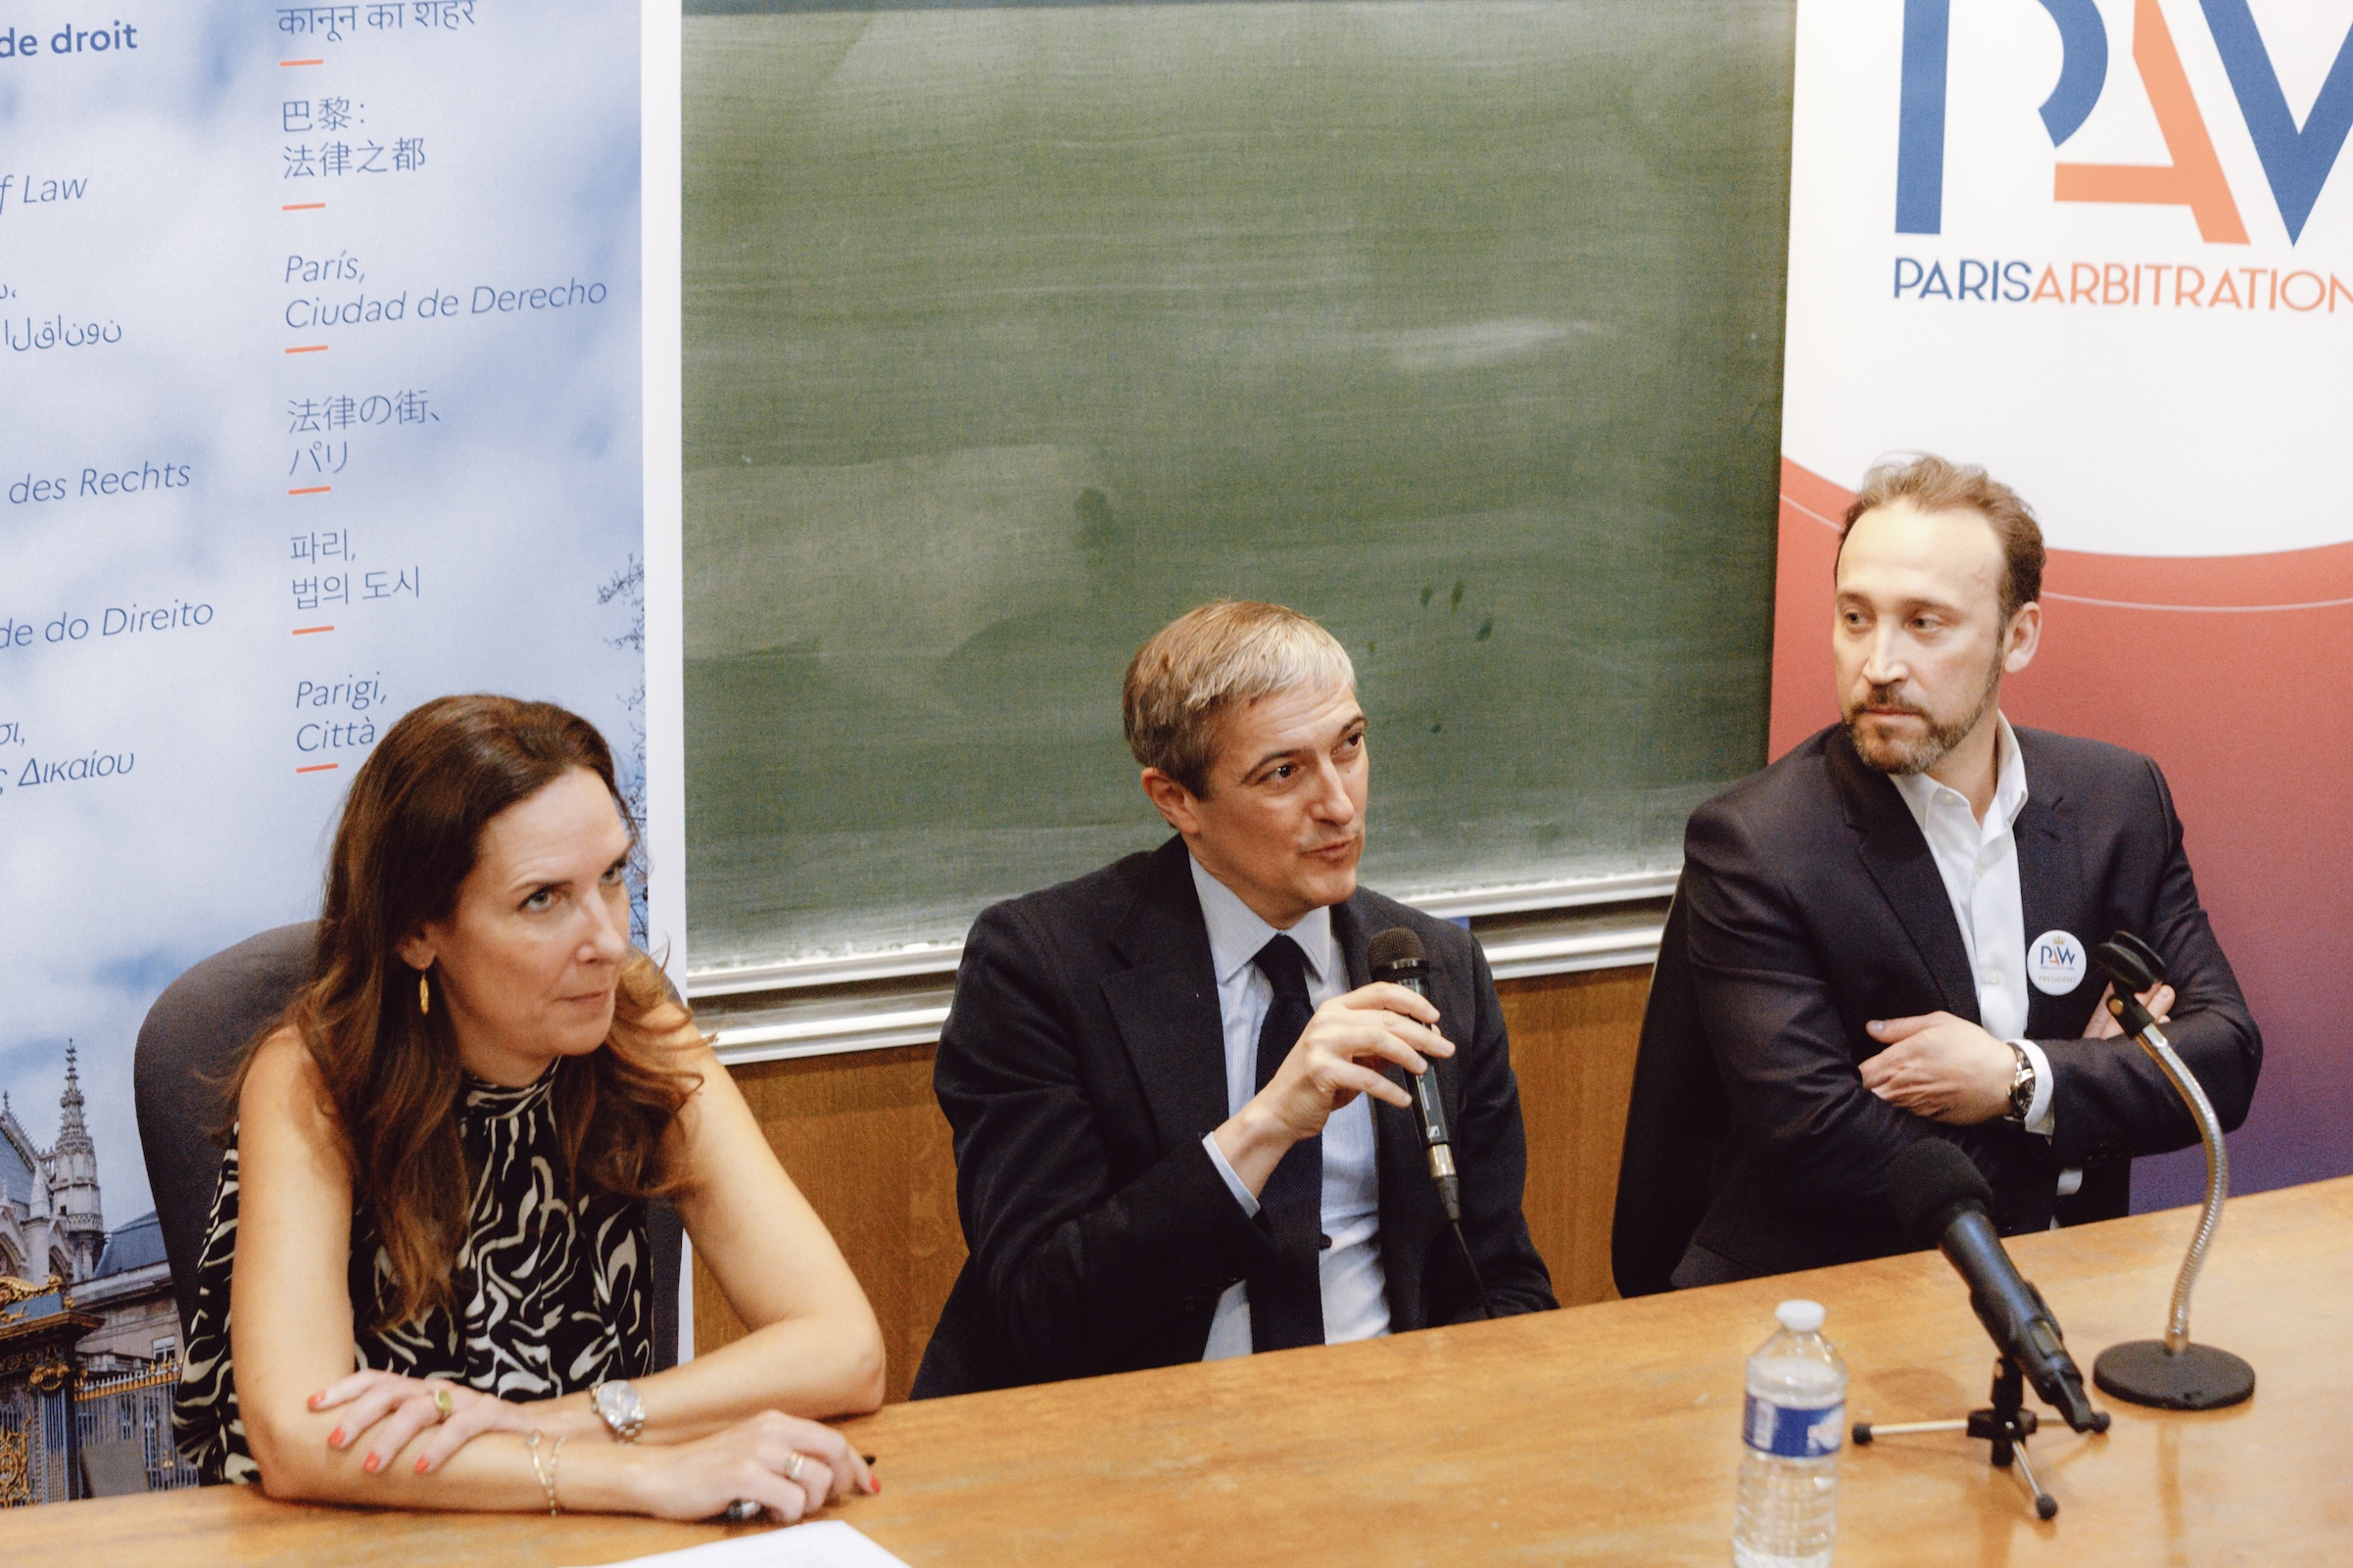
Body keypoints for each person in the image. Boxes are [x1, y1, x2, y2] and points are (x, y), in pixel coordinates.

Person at [174, 695, 886, 1520]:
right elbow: (297, 1440)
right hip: (357, 1539)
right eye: (543, 899)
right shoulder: (313, 1080)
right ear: (417, 931)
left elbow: (845, 1348)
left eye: (612, 876)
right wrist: (640, 1475)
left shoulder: (638, 1026)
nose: (609, 940)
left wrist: (552, 1424)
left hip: (586, 1534)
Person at [913, 600, 1555, 1398]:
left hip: (1383, 1420)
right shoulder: (1041, 966)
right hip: (1137, 1430)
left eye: (1350, 745)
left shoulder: (1435, 966)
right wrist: (1266, 1126)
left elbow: (1501, 1282)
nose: (1340, 804)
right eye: (1283, 772)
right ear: (1176, 799)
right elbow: (1040, 1307)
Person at [1668, 454, 2261, 1284]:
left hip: (2074, 1284)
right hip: (1839, 1298)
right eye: (1855, 617)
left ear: (2018, 636)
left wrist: (2013, 1076)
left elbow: (2223, 1059)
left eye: (1924, 623)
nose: (1878, 663)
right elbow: (1820, 1142)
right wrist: (2072, 1105)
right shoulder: (1756, 842)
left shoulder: (2117, 801)